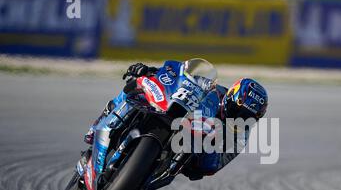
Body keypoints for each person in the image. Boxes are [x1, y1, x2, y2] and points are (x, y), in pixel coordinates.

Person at [83, 60, 268, 181]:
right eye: (238, 111)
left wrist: (209, 148)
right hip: (173, 113)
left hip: (184, 150)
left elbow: (215, 165)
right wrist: (150, 72)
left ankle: (140, 179)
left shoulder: (240, 135)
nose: (240, 119)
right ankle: (99, 124)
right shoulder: (212, 89)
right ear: (230, 97)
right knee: (136, 85)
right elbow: (178, 76)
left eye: (248, 118)